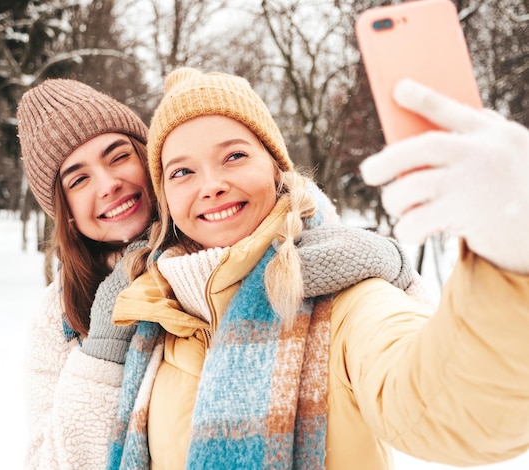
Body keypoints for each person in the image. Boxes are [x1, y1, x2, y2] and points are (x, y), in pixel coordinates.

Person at [107, 68, 529, 470]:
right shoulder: (155, 319)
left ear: (277, 168)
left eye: (234, 156)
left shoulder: (347, 294)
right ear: (165, 197)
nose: (210, 185)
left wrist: (510, 261)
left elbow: (450, 406)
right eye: (182, 171)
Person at [16, 78, 156, 470]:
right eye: (79, 179)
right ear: (67, 212)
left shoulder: (218, 237)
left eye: (118, 157)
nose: (109, 184)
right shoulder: (56, 318)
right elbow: (49, 462)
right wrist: (103, 353)